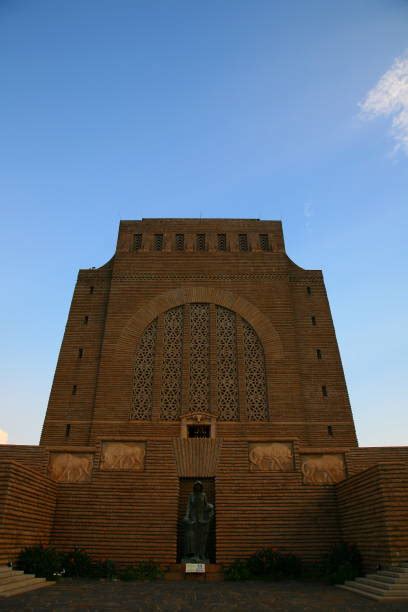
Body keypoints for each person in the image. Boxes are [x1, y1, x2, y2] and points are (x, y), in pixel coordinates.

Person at [182, 481, 214, 563]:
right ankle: (193, 555)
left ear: (201, 487)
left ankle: (201, 554)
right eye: (196, 486)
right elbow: (188, 507)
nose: (198, 487)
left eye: (199, 486)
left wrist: (210, 507)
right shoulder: (191, 495)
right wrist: (186, 516)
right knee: (193, 537)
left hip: (201, 518)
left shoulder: (203, 495)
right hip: (193, 518)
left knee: (201, 538)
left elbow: (205, 505)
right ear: (194, 487)